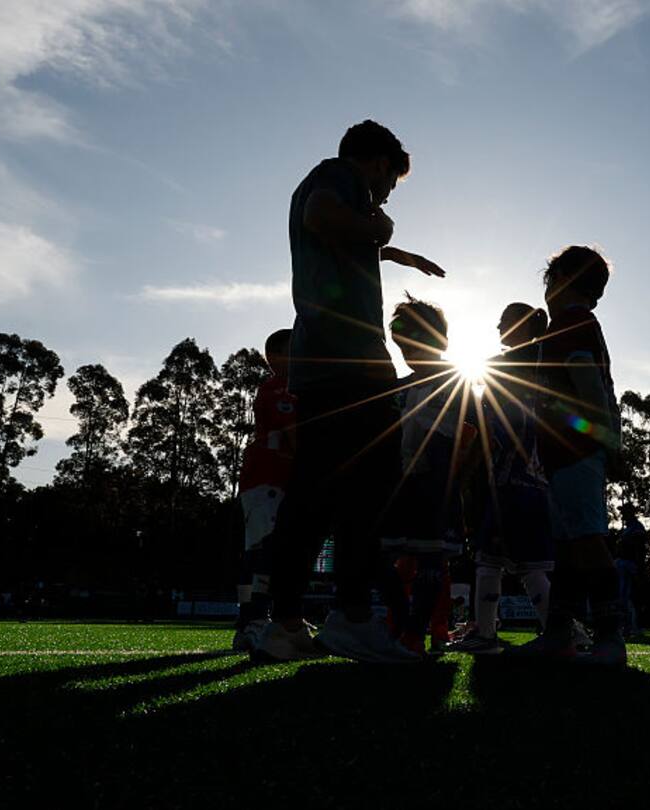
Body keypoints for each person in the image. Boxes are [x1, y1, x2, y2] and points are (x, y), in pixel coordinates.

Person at [255, 120, 446, 663]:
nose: (386, 194)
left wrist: (393, 253)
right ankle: (351, 618)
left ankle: (288, 623)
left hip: (322, 362)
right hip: (353, 364)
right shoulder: (338, 177)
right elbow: (324, 215)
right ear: (378, 162)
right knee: (369, 492)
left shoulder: (327, 191)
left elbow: (328, 236)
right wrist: (381, 231)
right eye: (390, 180)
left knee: (314, 494)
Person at [514, 246, 625, 665]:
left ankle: (610, 637)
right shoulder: (576, 324)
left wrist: (605, 443)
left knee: (588, 541)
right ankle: (559, 634)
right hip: (565, 456)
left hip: (576, 454)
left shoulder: (571, 324)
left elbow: (590, 390)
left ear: (558, 279)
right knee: (567, 548)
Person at [447, 302, 555, 654]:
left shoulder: (504, 366)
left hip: (509, 476)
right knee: (526, 561)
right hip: (537, 477)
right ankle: (560, 631)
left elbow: (489, 425)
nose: (497, 327)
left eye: (504, 321)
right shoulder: (546, 359)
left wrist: (470, 466)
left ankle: (487, 633)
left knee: (491, 557)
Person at [385, 296, 475, 657]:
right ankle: (403, 621)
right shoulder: (397, 387)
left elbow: (468, 436)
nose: (408, 351)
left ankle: (416, 632)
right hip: (398, 488)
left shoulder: (456, 381)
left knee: (432, 559)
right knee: (380, 555)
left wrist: (458, 484)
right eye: (402, 345)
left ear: (441, 341)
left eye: (415, 342)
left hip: (436, 487)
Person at [232, 329, 298, 652]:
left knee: (259, 551)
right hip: (266, 478)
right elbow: (293, 434)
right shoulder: (279, 387)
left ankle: (250, 621)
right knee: (262, 551)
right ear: (275, 357)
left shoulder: (282, 387)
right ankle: (254, 619)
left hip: (267, 480)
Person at [614, 503, 650, 638]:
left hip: (630, 565)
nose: (622, 514)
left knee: (629, 597)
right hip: (624, 564)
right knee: (623, 597)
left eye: (624, 512)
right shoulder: (628, 528)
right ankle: (626, 627)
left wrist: (639, 568)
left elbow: (639, 550)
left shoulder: (636, 528)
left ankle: (633, 627)